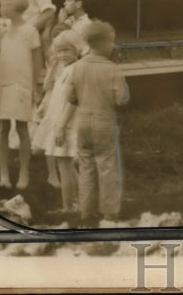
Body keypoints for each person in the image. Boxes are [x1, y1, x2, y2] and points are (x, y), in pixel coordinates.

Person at [57, 20, 129, 226]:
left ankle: (86, 212)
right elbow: (121, 99)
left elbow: (70, 97)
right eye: (112, 43)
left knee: (86, 165)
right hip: (104, 119)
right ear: (106, 43)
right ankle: (109, 212)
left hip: (83, 120)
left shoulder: (77, 67)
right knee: (107, 165)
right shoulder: (113, 69)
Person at [0, 0, 44, 190]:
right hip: (2, 83)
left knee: (22, 128)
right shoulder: (3, 32)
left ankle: (24, 172)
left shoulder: (30, 31)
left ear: (15, 7)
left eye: (4, 6)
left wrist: (35, 87)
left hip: (22, 84)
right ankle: (3, 173)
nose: (1, 9)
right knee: (3, 128)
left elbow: (37, 62)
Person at [31, 31, 82, 216]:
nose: (61, 55)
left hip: (65, 124)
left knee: (64, 166)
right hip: (59, 122)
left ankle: (68, 207)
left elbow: (72, 102)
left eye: (66, 51)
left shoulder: (75, 71)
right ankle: (81, 202)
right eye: (58, 51)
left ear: (77, 49)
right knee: (67, 165)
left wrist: (61, 126)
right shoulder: (66, 69)